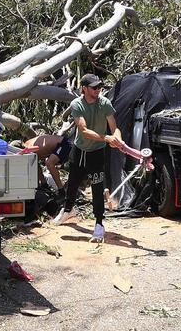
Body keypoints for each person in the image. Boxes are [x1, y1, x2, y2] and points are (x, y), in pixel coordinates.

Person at [52, 73, 122, 242]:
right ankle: (68, 210)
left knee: (98, 188)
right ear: (84, 88)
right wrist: (107, 138)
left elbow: (114, 127)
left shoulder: (105, 103)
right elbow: (84, 131)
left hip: (97, 153)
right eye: (94, 87)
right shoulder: (77, 104)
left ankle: (99, 224)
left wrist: (117, 138)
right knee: (73, 183)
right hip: (80, 151)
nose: (98, 90)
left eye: (100, 87)